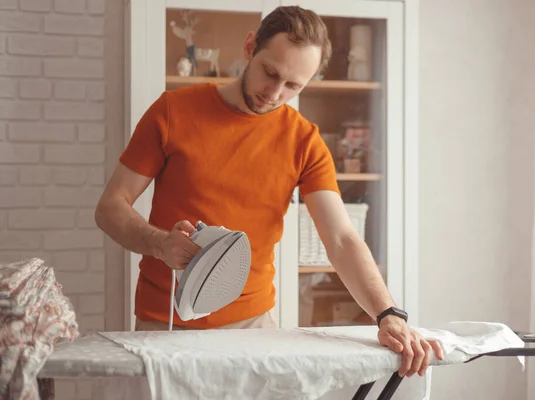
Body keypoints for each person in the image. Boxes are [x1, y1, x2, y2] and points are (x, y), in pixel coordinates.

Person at [95, 5, 444, 378]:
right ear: (250, 47)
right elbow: (111, 207)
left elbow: (341, 238)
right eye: (270, 73)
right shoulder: (173, 111)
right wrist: (159, 243)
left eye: (293, 86)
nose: (274, 94)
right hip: (164, 324)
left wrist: (388, 314)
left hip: (254, 326)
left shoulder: (304, 141)